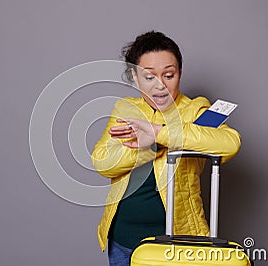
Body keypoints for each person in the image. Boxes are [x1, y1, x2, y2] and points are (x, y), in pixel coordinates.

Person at [91, 31, 241, 266]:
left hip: (176, 244)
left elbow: (229, 143)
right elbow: (102, 163)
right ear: (134, 76)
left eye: (169, 75)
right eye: (149, 77)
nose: (160, 86)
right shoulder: (125, 109)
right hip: (122, 240)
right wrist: (148, 147)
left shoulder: (195, 110)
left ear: (180, 73)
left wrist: (159, 134)